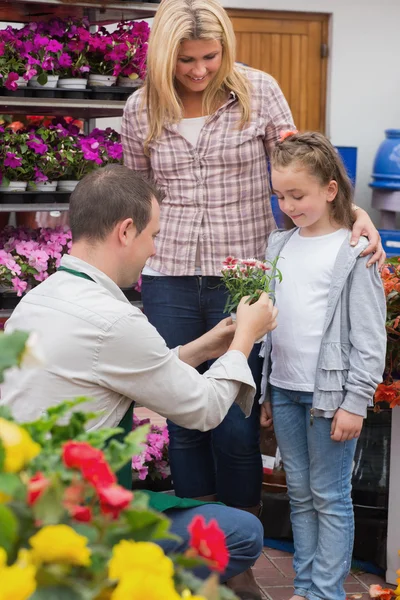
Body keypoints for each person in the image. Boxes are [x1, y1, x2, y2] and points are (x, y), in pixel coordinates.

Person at [121, 0, 385, 518]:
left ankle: (240, 539)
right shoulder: (140, 109)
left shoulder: (259, 91)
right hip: (167, 275)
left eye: (211, 57)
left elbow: (302, 166)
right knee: (180, 410)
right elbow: (137, 195)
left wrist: (352, 210)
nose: (199, 70)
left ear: (226, 50)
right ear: (163, 57)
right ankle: (198, 541)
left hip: (241, 277)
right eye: (185, 60)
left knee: (236, 416)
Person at [1, 165, 277, 597]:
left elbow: (121, 368)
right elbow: (203, 410)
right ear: (126, 231)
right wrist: (246, 336)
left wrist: (206, 346)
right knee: (241, 531)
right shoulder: (115, 320)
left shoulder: (41, 297)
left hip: (21, 503)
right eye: (153, 236)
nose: (153, 250)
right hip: (73, 521)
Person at [259, 131, 386, 600]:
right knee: (298, 495)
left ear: (330, 190)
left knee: (330, 498)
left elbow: (370, 340)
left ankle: (326, 592)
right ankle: (305, 587)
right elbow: (274, 326)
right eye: (281, 195)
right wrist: (269, 390)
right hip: (287, 392)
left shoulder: (354, 251)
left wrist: (356, 401)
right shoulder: (278, 245)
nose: (289, 205)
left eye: (298, 195)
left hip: (331, 399)